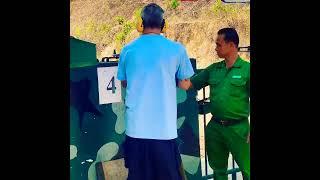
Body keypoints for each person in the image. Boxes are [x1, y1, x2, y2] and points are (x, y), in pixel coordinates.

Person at [117, 3, 194, 180]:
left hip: (136, 130)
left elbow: (124, 82)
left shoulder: (127, 50)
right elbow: (184, 84)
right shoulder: (177, 49)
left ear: (141, 23)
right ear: (163, 24)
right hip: (164, 130)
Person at [179, 28, 250, 180]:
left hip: (239, 129)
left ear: (231, 45)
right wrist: (173, 66)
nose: (215, 48)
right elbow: (187, 85)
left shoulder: (247, 70)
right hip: (216, 128)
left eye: (219, 45)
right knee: (219, 171)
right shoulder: (213, 69)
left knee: (247, 169)